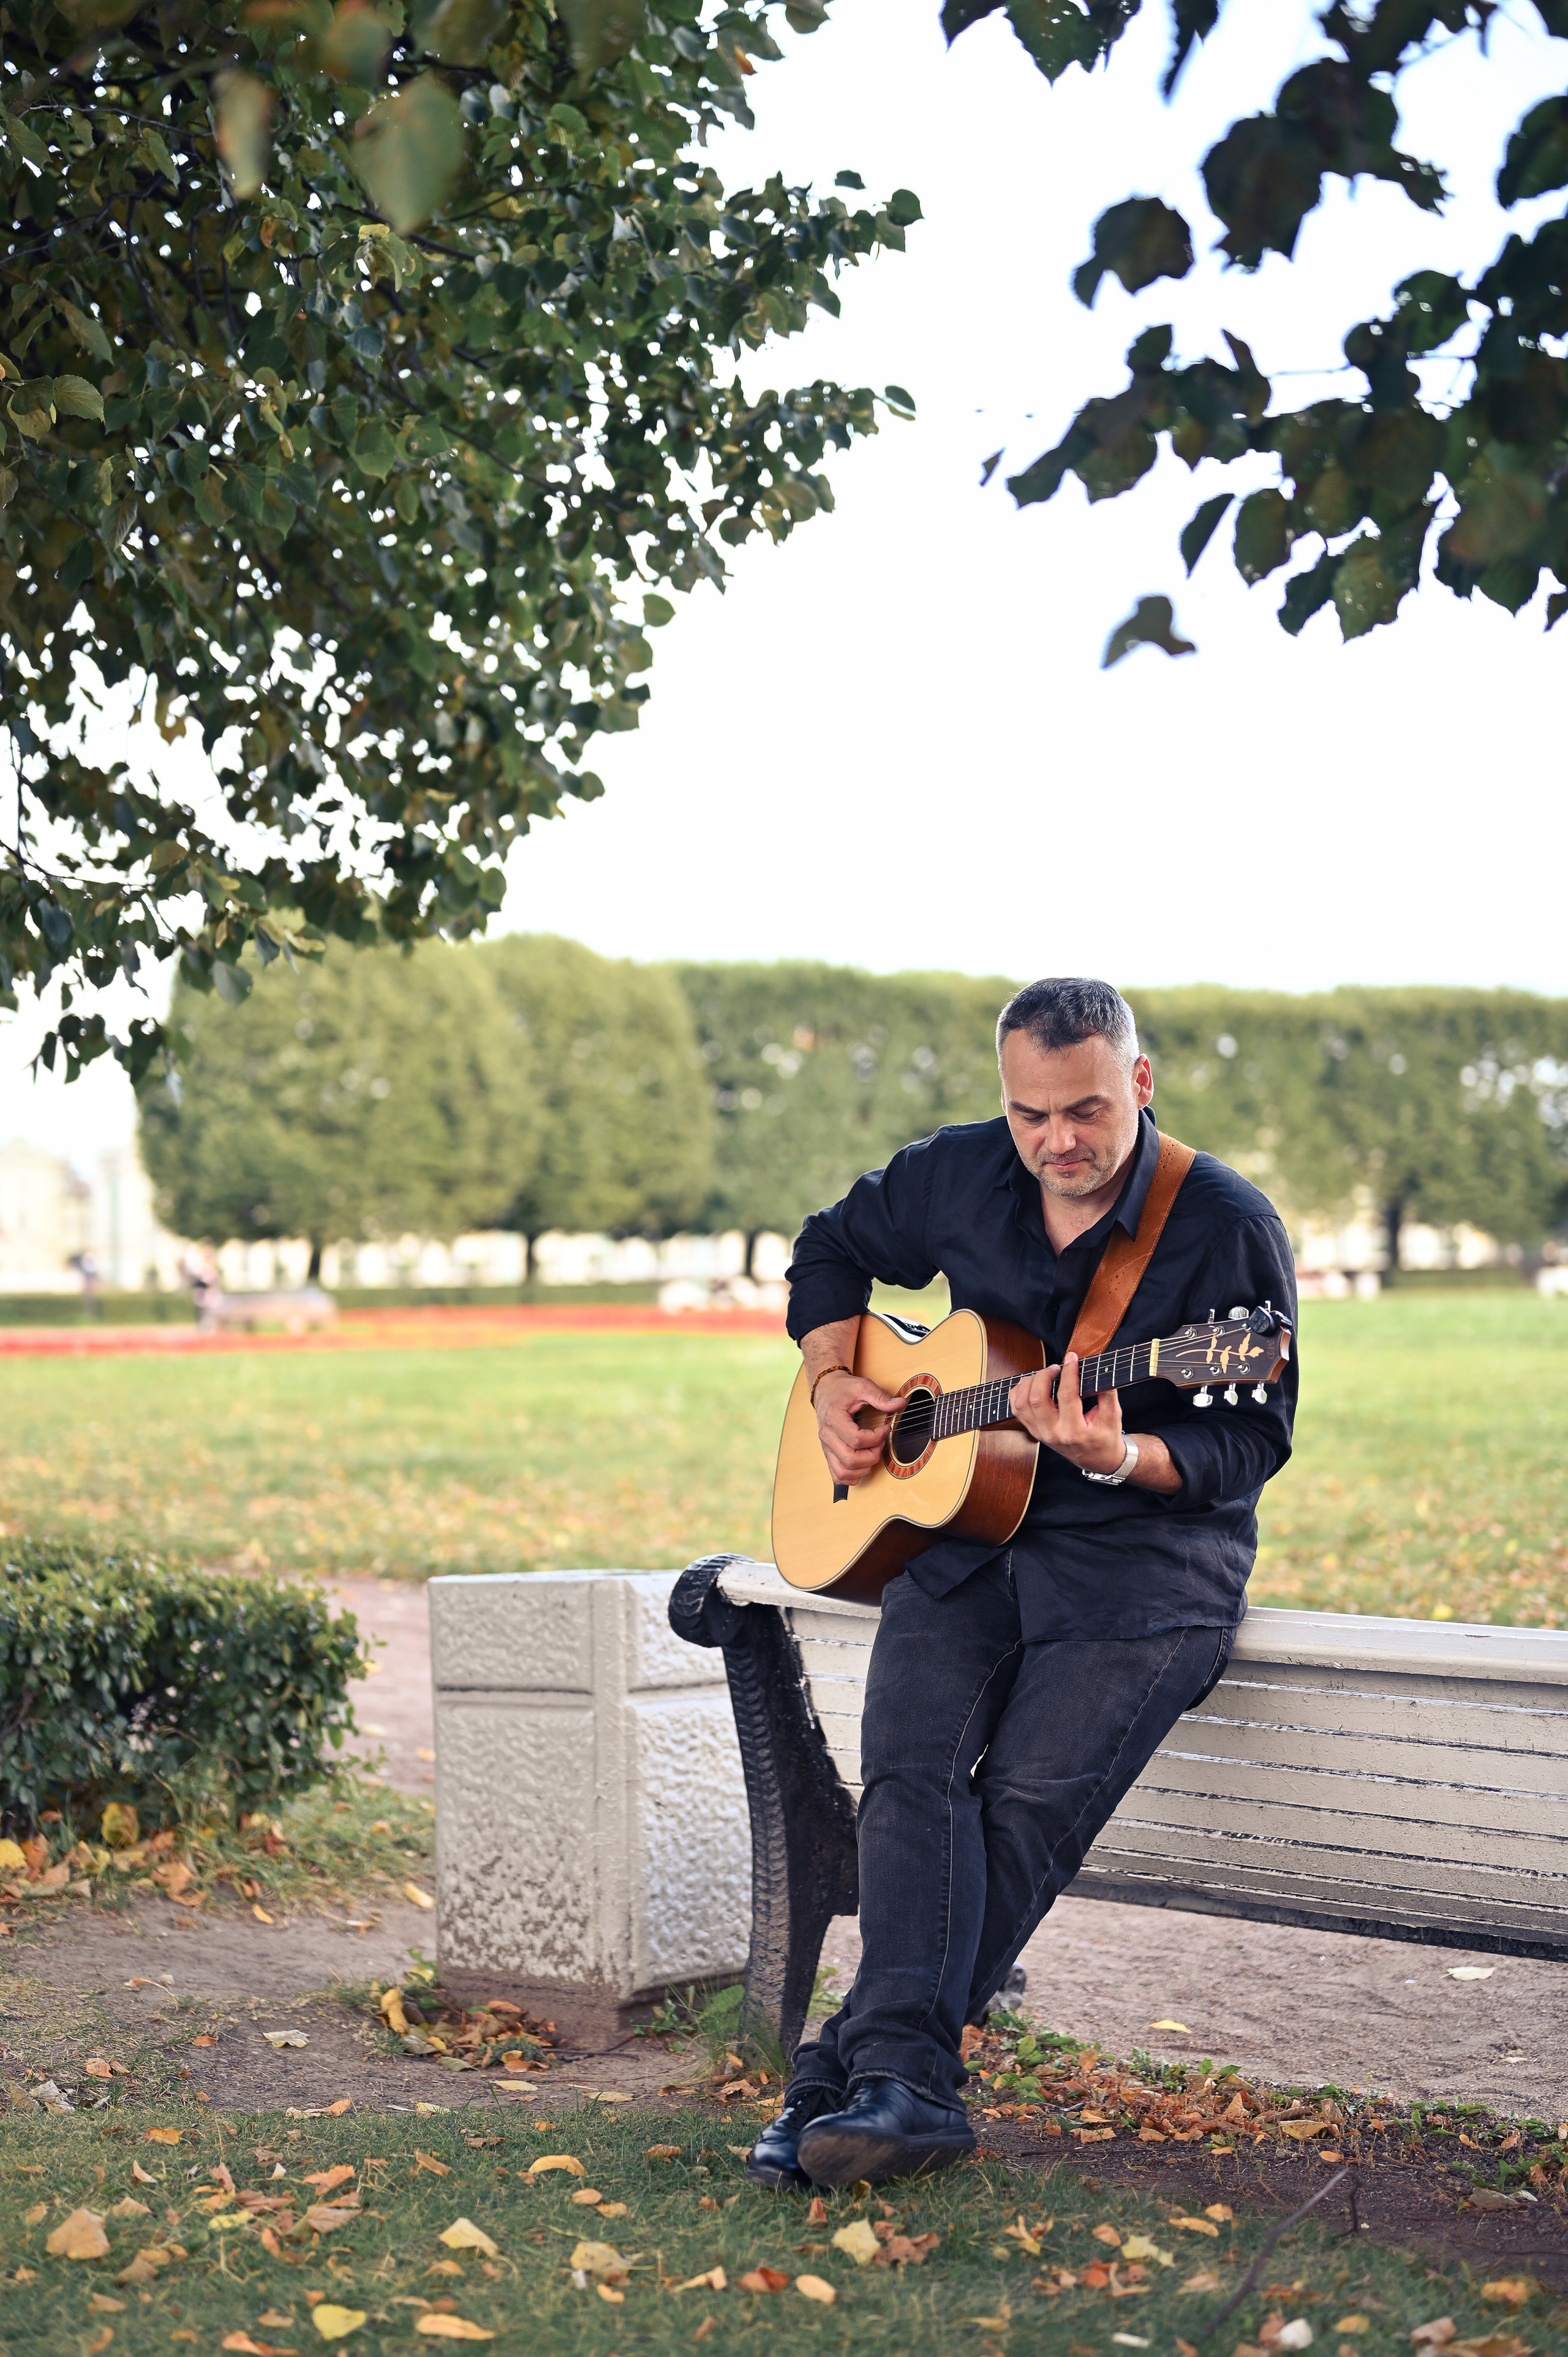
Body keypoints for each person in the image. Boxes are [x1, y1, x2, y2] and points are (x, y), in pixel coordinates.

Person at [748, 977, 1298, 2191]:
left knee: (1021, 1808)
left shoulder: (1220, 1224)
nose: (1057, 1140)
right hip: (965, 1529)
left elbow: (1248, 1438)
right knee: (904, 1775)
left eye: (1086, 1112)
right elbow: (830, 1247)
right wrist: (839, 1376)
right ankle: (896, 2088)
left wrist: (1118, 1450)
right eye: (1030, 1114)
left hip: (1142, 1569)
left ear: (1138, 1085)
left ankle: (857, 2072)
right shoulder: (954, 1175)